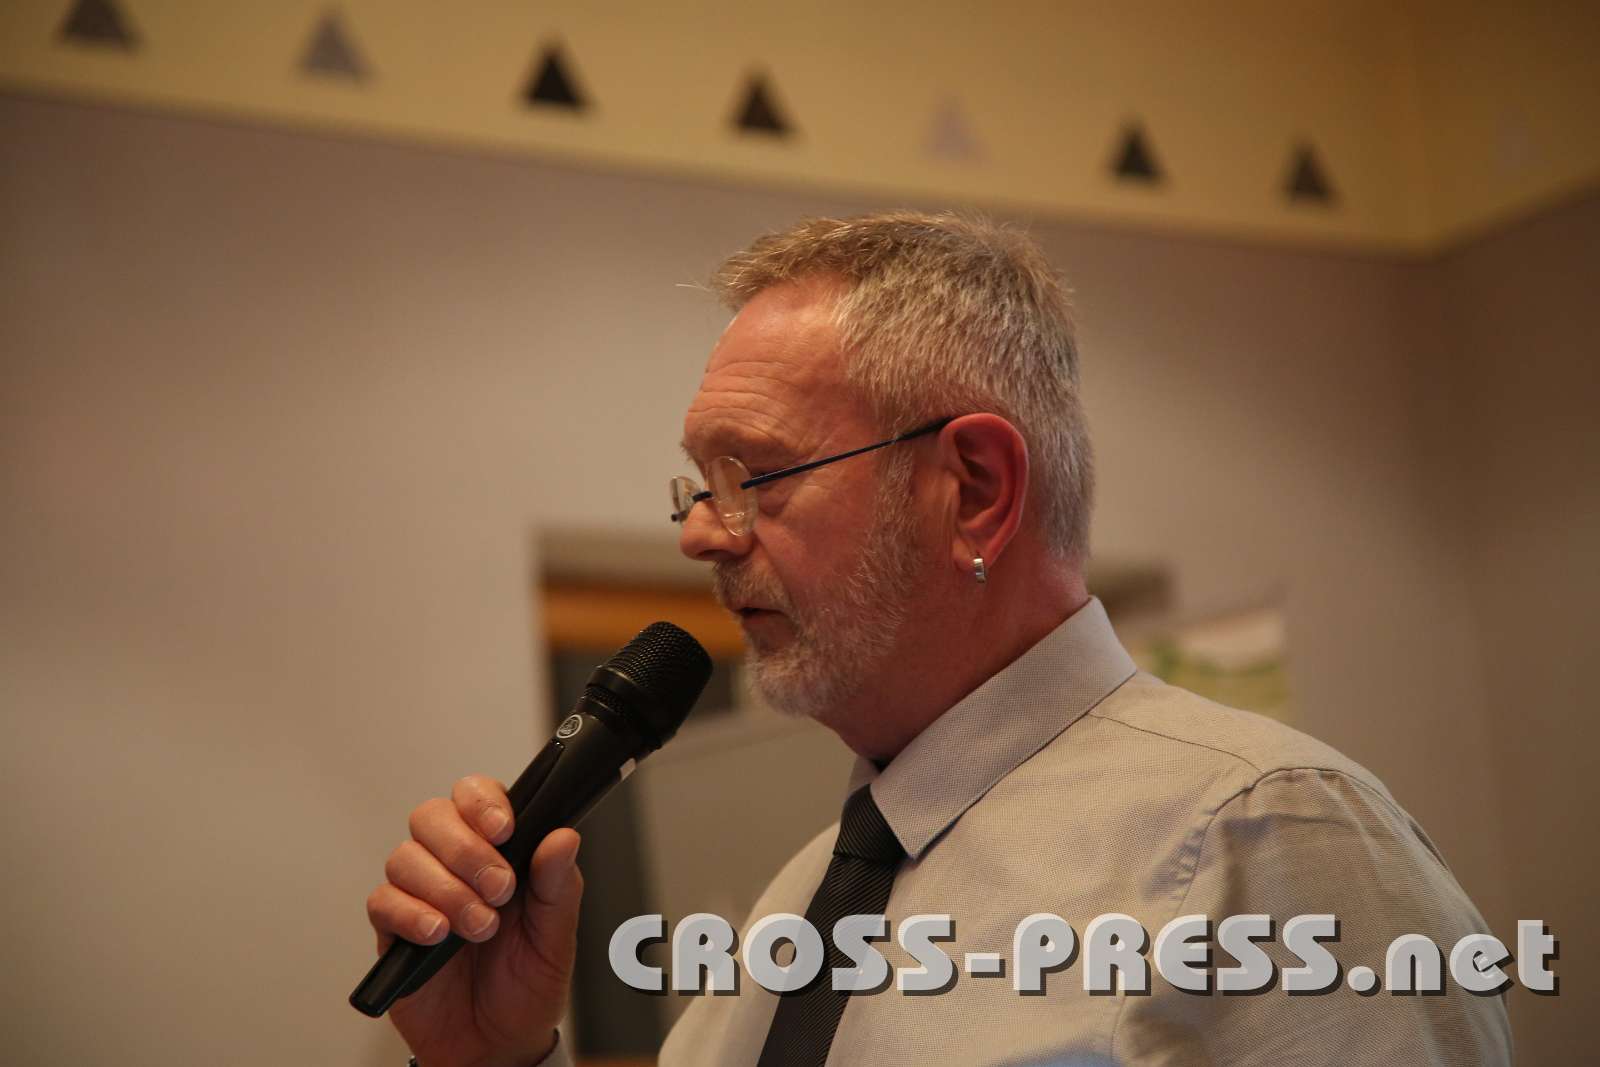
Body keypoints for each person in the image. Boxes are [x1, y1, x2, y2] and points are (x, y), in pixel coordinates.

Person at [364, 212, 1513, 1065]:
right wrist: (490, 1061)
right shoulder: (787, 913)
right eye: (700, 484)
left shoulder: (1264, 837)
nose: (703, 533)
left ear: (973, 489)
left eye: (757, 475)